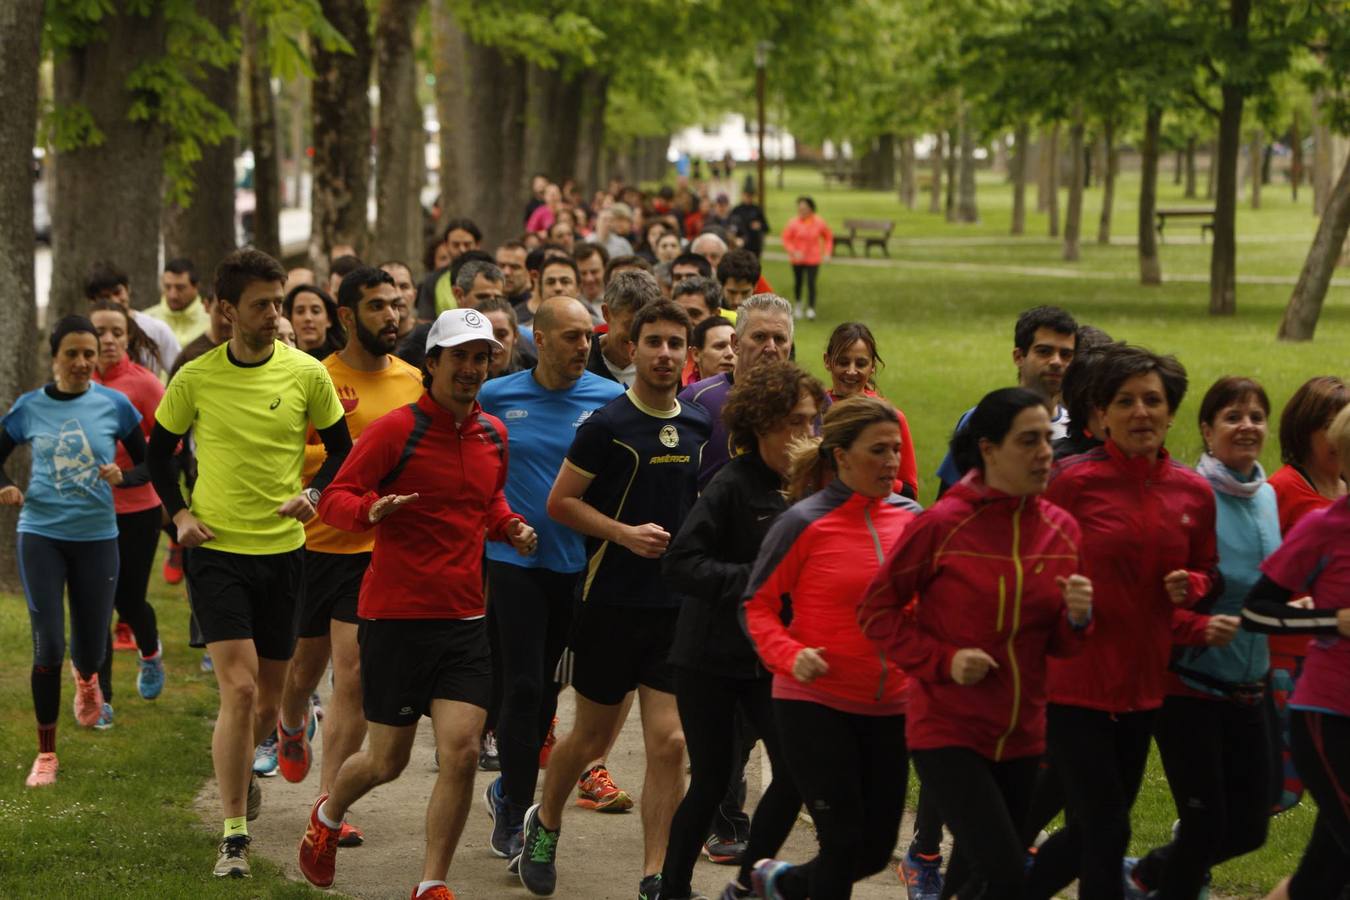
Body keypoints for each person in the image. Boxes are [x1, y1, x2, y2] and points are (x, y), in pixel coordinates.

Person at [297, 308, 536, 899]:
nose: (472, 369)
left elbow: (489, 503)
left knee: (459, 753)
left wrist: (510, 527)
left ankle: (431, 884)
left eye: (482, 358)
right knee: (386, 761)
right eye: (459, 356)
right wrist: (369, 512)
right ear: (432, 363)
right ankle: (326, 817)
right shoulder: (394, 431)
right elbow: (336, 499)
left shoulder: (492, 435)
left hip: (464, 620)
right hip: (396, 617)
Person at [147, 249, 352, 878]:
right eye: (262, 304)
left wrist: (314, 495)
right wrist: (176, 517)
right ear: (227, 310)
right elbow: (159, 453)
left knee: (269, 698)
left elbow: (343, 449)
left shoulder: (304, 374)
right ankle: (234, 834)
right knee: (236, 690)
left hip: (286, 555)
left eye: (279, 302)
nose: (274, 314)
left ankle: (262, 746)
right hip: (217, 553)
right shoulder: (195, 378)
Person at [859, 387, 1092, 900]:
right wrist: (944, 661)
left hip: (1024, 733)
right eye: (1028, 441)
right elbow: (877, 611)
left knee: (973, 877)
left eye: (1047, 440)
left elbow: (1063, 648)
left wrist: (1078, 619)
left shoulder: (1062, 531)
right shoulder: (943, 524)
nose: (1044, 453)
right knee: (1008, 874)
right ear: (988, 449)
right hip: (948, 730)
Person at [518, 301, 711, 899]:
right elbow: (560, 504)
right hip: (609, 604)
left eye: (675, 344)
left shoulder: (703, 425)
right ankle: (543, 821)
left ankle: (657, 874)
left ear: (687, 354)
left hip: (675, 610)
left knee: (672, 742)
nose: (664, 354)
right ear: (631, 349)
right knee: (590, 741)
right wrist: (625, 534)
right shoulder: (605, 424)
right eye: (653, 341)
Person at [1023, 345, 1218, 900]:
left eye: (1152, 401)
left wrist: (1194, 589)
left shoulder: (1193, 492)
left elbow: (1206, 569)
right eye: (1125, 401)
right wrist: (1066, 600)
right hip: (1073, 684)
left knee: (1091, 827)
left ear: (1171, 412)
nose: (1141, 413)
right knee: (1110, 826)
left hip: (1143, 688)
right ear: (1101, 413)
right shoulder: (1071, 481)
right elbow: (1027, 566)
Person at [743, 396, 921, 900]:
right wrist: (789, 653)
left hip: (892, 705)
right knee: (843, 841)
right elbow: (756, 606)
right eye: (878, 451)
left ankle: (776, 882)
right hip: (815, 701)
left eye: (896, 449)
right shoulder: (803, 522)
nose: (892, 462)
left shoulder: (913, 520)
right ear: (840, 456)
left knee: (874, 848)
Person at [660, 361, 826, 900]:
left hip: (770, 660)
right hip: (708, 657)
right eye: (793, 423)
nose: (806, 434)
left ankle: (746, 883)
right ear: (759, 426)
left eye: (811, 421)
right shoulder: (731, 486)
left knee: (798, 771)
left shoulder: (811, 490)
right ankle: (672, 889)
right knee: (710, 783)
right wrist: (752, 581)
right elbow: (681, 564)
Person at [271, 267, 423, 851]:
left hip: (374, 549)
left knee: (352, 675)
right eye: (378, 306)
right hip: (313, 545)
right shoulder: (317, 378)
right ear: (346, 316)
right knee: (303, 669)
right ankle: (289, 721)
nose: (392, 315)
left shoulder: (414, 381)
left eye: (396, 304)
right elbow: (292, 452)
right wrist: (345, 461)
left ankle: (328, 802)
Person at [477, 296, 627, 861]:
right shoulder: (497, 396)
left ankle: (504, 789)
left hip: (577, 569)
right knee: (521, 686)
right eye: (570, 337)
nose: (582, 347)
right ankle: (516, 808)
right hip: (513, 565)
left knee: (546, 692)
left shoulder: (611, 401)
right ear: (537, 340)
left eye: (588, 336)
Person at [1125, 376, 1279, 899]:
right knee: (1206, 826)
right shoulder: (1191, 497)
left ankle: (1146, 874)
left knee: (1250, 827)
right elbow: (1157, 600)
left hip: (1250, 683)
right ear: (1207, 430)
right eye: (1233, 416)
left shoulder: (1269, 497)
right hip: (1188, 686)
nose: (1247, 426)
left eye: (1256, 416)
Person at [3, 317, 148, 787]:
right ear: (55, 357)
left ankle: (87, 681)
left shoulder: (115, 405)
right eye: (73, 354)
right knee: (48, 644)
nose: (84, 362)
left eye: (89, 353)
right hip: (41, 533)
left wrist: (123, 476)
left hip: (98, 538)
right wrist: (6, 484)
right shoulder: (30, 408)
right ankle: (46, 754)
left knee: (89, 646)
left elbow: (151, 462)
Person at [1240, 404, 1350, 900]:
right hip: (1330, 719)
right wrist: (1330, 621)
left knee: (1320, 879)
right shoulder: (1325, 528)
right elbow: (1256, 611)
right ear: (1341, 458)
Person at [1264, 375, 1348, 813]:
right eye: (1329, 427)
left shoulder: (1344, 493)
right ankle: (1190, 848)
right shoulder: (1283, 490)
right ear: (1304, 429)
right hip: (1286, 659)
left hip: (1331, 661)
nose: (1338, 439)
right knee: (1282, 788)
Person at [90, 301, 168, 722]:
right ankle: (101, 699)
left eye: (115, 332)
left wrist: (129, 474)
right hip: (85, 513)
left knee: (129, 600)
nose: (107, 340)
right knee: (95, 605)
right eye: (99, 331)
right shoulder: (73, 383)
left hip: (137, 510)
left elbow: (167, 446)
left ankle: (150, 652)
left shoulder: (144, 385)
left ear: (128, 337)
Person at [936, 306, 1078, 495]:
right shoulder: (984, 418)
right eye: (1044, 351)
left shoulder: (1077, 427)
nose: (1056, 362)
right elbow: (949, 496)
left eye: (1066, 355)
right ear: (1019, 357)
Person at [680, 293, 794, 489]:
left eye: (780, 339)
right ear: (736, 343)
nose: (770, 347)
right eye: (759, 337)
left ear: (790, 346)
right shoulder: (697, 399)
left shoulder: (808, 404)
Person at [822, 322, 918, 500]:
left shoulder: (892, 418)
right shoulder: (812, 414)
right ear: (827, 361)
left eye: (860, 363)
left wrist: (867, 471)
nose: (851, 371)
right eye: (843, 362)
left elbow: (910, 493)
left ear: (872, 366)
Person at [84, 260, 181, 376]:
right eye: (105, 297)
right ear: (92, 301)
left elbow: (181, 374)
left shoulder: (156, 329)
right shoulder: (84, 333)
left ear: (128, 289)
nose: (114, 300)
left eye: (117, 292)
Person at [585, 269, 661, 387]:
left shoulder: (662, 363)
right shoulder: (583, 357)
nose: (637, 337)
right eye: (630, 325)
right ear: (607, 313)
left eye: (646, 327)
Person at [780, 197, 833, 321]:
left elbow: (828, 237)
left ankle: (811, 308)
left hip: (813, 259)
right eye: (799, 208)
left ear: (811, 209)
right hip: (797, 259)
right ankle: (798, 305)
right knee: (798, 282)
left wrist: (827, 252)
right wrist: (793, 251)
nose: (801, 210)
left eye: (804, 208)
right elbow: (786, 239)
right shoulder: (793, 222)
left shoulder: (819, 222)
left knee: (811, 283)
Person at [145, 257, 210, 347]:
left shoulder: (211, 321)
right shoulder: (147, 320)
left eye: (180, 288)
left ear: (196, 287)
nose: (173, 295)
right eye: (167, 287)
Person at [285, 284, 346, 360]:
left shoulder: (343, 359)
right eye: (300, 311)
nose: (308, 318)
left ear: (329, 320)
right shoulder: (282, 357)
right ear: (290, 319)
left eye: (315, 311)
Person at [688, 315, 735, 387]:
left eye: (734, 347)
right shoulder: (683, 396)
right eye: (720, 346)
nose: (730, 353)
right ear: (696, 354)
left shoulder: (754, 395)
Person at [379, 260, 419, 342]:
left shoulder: (431, 337)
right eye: (390, 286)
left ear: (414, 295)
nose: (398, 294)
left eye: (404, 287)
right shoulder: (365, 342)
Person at [573, 243, 609, 324]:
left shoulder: (615, 302)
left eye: (594, 272)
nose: (589, 279)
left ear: (605, 269)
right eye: (583, 273)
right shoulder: (569, 304)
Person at [730, 188, 769, 257]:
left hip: (754, 245)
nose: (748, 198)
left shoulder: (756, 210)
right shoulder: (736, 210)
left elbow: (766, 227)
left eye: (750, 196)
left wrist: (759, 225)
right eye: (746, 195)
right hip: (740, 245)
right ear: (742, 195)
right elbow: (731, 226)